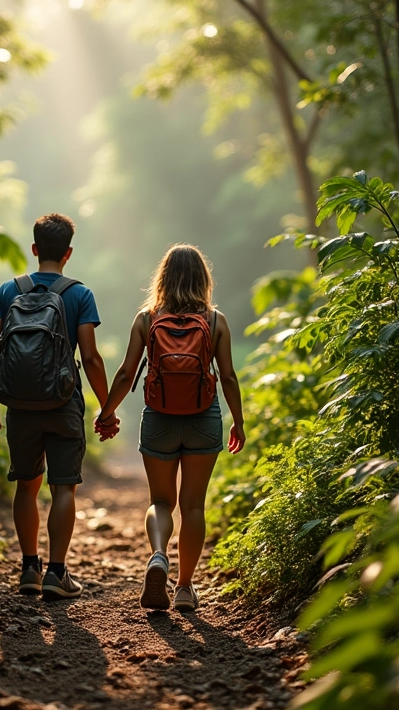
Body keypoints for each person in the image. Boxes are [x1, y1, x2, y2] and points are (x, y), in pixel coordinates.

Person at [95, 244, 245, 612]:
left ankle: (159, 555)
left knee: (161, 501)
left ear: (162, 277)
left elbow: (127, 372)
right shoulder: (215, 320)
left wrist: (106, 411)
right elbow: (226, 375)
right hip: (203, 418)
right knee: (193, 505)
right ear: (203, 279)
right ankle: (184, 588)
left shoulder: (146, 318)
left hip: (159, 419)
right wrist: (238, 421)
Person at [0, 213, 119, 600]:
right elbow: (90, 358)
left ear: (35, 249)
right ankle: (57, 573)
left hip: (19, 404)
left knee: (27, 486)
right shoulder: (79, 294)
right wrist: (106, 409)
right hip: (62, 403)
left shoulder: (9, 290)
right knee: (63, 489)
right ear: (68, 253)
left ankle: (28, 568)